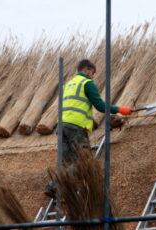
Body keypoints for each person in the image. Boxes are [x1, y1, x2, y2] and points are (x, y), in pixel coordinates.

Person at [45, 59, 134, 197]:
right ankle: (55, 184)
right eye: (92, 72)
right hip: (76, 125)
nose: (93, 76)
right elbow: (99, 105)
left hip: (61, 125)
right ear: (86, 69)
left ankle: (58, 189)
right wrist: (120, 109)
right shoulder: (87, 83)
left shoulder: (68, 84)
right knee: (84, 159)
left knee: (67, 162)